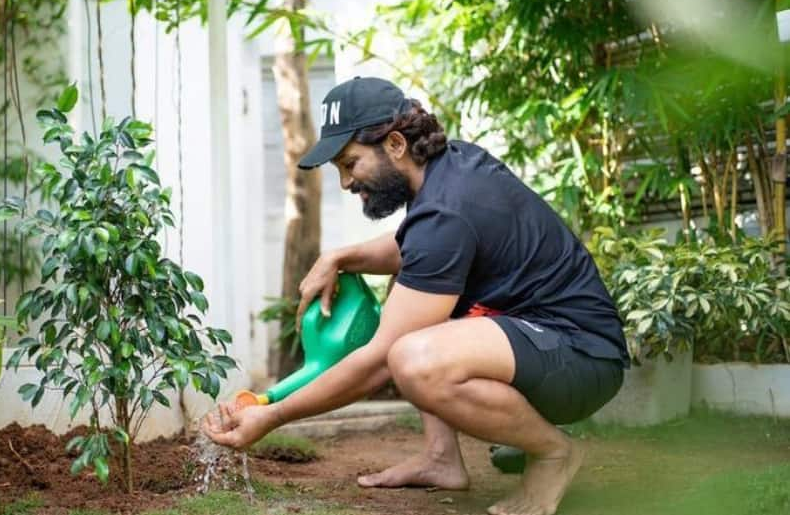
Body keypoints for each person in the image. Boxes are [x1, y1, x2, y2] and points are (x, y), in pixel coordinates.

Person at [202, 76, 628, 515]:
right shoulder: (450, 169)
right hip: (552, 344)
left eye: (351, 163)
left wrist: (272, 415)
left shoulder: (446, 209)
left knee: (411, 358)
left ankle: (554, 453)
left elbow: (379, 360)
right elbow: (416, 249)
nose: (346, 182)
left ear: (396, 145)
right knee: (408, 291)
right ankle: (441, 458)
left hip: (579, 357)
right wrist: (341, 256)